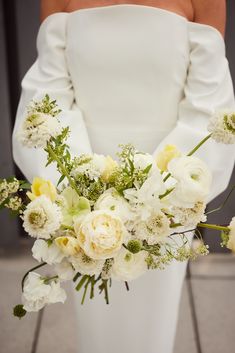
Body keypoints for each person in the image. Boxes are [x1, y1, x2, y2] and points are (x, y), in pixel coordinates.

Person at [12, 1, 235, 352]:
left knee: (153, 323)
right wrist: (80, 192)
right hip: (82, 196)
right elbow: (47, 97)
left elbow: (210, 103)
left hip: (166, 201)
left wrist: (157, 198)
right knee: (96, 324)